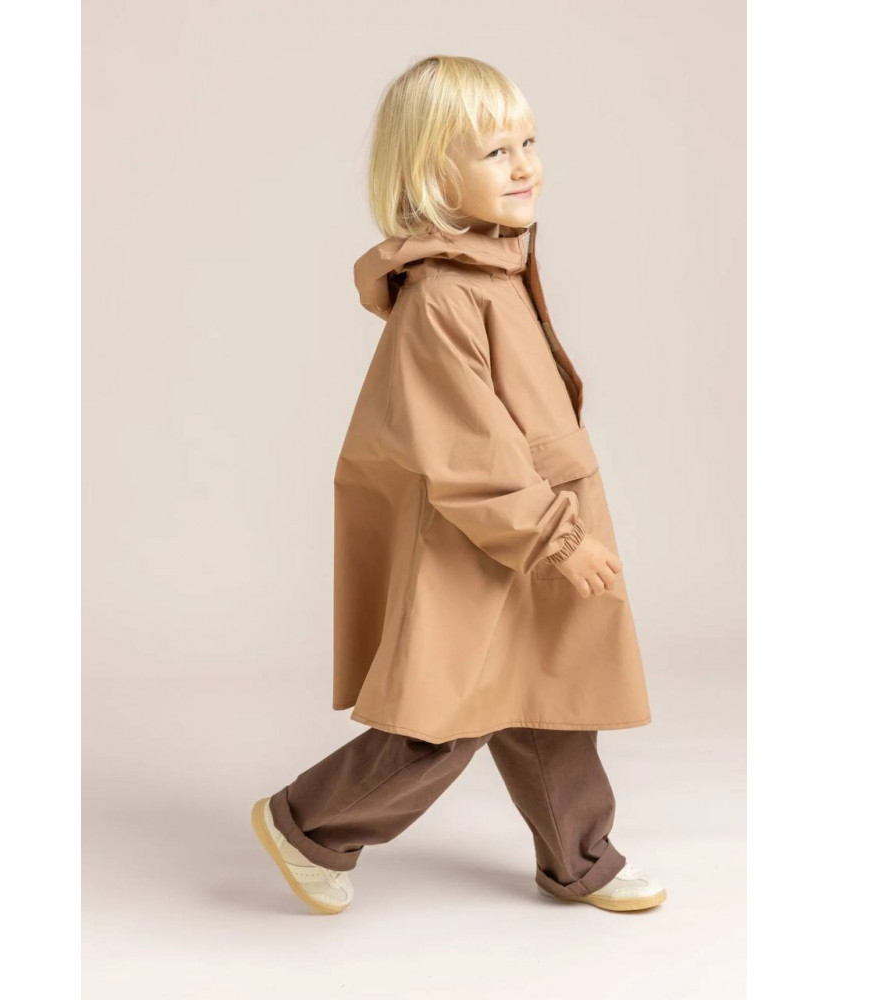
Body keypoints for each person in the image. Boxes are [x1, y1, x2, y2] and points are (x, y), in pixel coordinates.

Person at [252, 55, 665, 916]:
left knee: (551, 699)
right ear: (432, 178)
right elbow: (471, 451)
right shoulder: (442, 297)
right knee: (447, 716)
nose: (523, 166)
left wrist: (557, 528)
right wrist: (557, 537)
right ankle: (307, 824)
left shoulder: (499, 270)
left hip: (532, 524)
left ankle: (580, 859)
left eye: (529, 143)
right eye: (494, 153)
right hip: (485, 539)